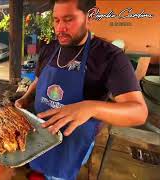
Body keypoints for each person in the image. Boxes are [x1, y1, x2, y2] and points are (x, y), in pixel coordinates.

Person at [15, 0, 148, 179]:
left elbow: (139, 112)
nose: (60, 28)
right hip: (41, 135)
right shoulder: (50, 49)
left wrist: (91, 107)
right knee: (40, 169)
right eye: (56, 20)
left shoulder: (110, 57)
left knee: (59, 176)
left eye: (68, 20)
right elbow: (39, 80)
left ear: (90, 17)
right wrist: (26, 98)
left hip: (72, 143)